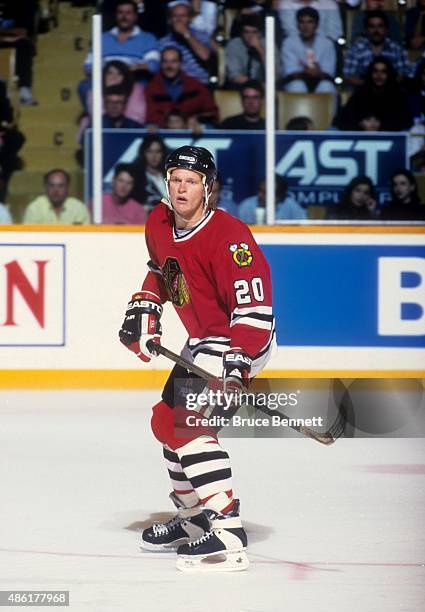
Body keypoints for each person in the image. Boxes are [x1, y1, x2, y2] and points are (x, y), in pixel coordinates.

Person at [119, 145, 275, 572]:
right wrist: (147, 305)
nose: (181, 187)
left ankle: (227, 532)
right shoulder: (159, 221)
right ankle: (193, 520)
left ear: (208, 187)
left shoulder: (231, 236)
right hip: (203, 338)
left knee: (190, 429)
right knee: (164, 423)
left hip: (238, 340)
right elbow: (163, 271)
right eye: (175, 179)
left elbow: (255, 308)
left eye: (191, 181)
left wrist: (238, 362)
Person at [80, 0, 159, 106]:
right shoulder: (102, 38)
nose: (124, 16)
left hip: (134, 81)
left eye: (128, 13)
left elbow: (153, 66)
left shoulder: (148, 39)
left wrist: (125, 70)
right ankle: (98, 120)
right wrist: (110, 73)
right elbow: (88, 66)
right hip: (106, 82)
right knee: (84, 86)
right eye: (120, 13)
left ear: (135, 16)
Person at [145, 46, 218, 128]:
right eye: (165, 62)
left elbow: (212, 112)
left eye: (174, 61)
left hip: (192, 131)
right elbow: (150, 117)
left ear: (181, 64)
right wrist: (169, 124)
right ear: (161, 64)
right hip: (163, 132)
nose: (169, 66)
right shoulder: (151, 88)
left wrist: (197, 120)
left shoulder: (196, 86)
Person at [333, 57, 413, 132]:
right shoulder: (360, 94)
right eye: (375, 71)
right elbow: (340, 121)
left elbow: (406, 122)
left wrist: (381, 125)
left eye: (383, 71)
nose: (379, 75)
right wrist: (361, 124)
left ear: (389, 74)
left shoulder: (398, 95)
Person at [343, 11, 414, 87]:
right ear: (366, 30)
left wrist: (384, 86)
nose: (376, 31)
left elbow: (404, 74)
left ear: (386, 29)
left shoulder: (396, 49)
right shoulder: (356, 48)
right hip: (363, 92)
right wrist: (371, 86)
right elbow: (348, 76)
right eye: (372, 26)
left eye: (380, 26)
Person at [280, 6, 336, 93]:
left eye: (310, 22)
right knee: (297, 86)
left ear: (316, 25)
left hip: (321, 80)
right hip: (296, 81)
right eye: (302, 22)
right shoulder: (288, 42)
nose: (305, 26)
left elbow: (329, 73)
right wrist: (305, 72)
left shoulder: (327, 43)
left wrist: (318, 72)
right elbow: (289, 73)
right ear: (297, 25)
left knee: (327, 86)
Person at [158, 0, 213, 85]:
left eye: (183, 16)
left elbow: (205, 56)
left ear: (190, 19)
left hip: (199, 84)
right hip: (173, 85)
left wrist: (186, 34)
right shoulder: (163, 42)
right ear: (170, 20)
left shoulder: (201, 36)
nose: (179, 20)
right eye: (175, 16)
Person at [23, 169, 90, 224]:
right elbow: (28, 238)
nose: (56, 190)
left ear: (68, 188)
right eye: (52, 185)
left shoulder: (78, 208)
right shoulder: (34, 208)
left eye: (61, 186)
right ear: (45, 187)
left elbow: (84, 237)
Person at [238, 176, 307, 223]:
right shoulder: (247, 205)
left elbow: (304, 229)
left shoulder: (291, 206)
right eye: (260, 190)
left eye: (265, 193)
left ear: (280, 197)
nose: (260, 195)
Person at [224, 14, 269, 87]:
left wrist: (260, 50)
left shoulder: (268, 44)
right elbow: (235, 77)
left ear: (260, 33)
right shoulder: (234, 45)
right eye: (246, 32)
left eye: (254, 32)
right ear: (241, 33)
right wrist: (258, 86)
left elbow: (275, 75)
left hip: (265, 88)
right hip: (241, 87)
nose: (250, 36)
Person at [276, 0, 343, 43]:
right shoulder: (285, 3)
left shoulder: (330, 3)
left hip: (325, 48)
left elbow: (334, 33)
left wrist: (321, 47)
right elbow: (291, 32)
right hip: (295, 47)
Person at [131, 135, 169, 209]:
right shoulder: (137, 180)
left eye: (158, 152)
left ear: (163, 153)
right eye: (149, 151)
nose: (154, 156)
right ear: (144, 153)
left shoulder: (170, 175)